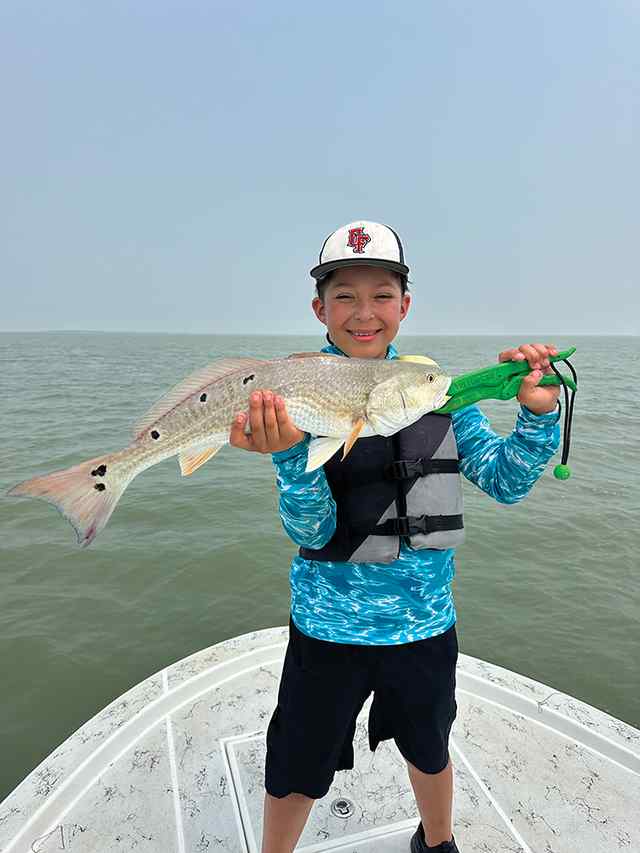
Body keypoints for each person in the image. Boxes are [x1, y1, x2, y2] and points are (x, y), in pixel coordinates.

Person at [229, 221, 561, 853]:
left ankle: (436, 844)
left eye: (381, 294)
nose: (364, 313)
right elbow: (311, 529)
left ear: (404, 306)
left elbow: (506, 481)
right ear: (318, 309)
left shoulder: (433, 391)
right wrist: (286, 459)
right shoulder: (296, 389)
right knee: (297, 767)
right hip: (328, 630)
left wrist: (536, 415)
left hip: (425, 626)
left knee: (430, 750)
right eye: (344, 296)